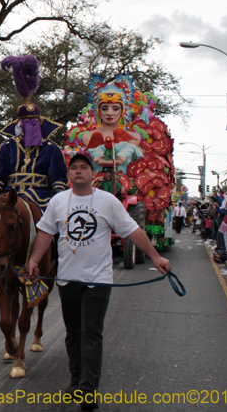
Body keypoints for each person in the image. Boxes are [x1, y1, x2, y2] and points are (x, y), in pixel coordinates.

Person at [26, 153, 171, 410]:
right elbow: (46, 232)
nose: (78, 171)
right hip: (67, 280)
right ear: (69, 175)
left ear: (93, 174)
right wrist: (34, 259)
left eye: (84, 168)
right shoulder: (59, 201)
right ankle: (75, 381)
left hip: (98, 281)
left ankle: (88, 390)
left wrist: (155, 256)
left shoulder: (108, 202)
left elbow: (132, 230)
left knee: (91, 334)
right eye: (74, 168)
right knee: (73, 334)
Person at [0, 55, 68, 210]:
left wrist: (61, 200)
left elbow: (57, 178)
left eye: (33, 122)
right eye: (25, 122)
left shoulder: (50, 148)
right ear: (19, 124)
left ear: (40, 123)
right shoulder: (8, 146)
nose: (30, 126)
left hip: (41, 197)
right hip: (9, 196)